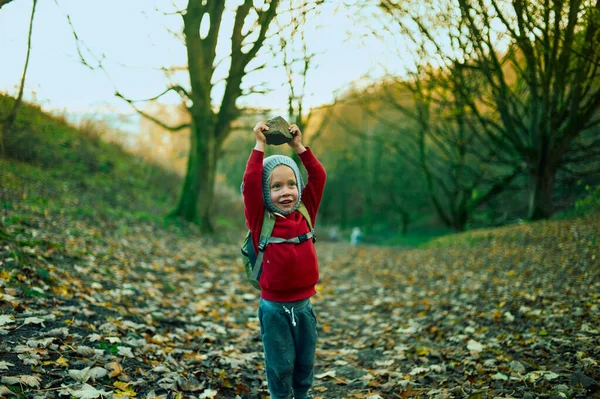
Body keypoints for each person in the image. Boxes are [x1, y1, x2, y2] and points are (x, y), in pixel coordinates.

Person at [242, 120, 327, 399]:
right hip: (275, 310)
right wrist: (259, 145)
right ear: (267, 194)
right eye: (276, 187)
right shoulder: (260, 220)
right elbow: (252, 184)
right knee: (280, 367)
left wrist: (299, 148)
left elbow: (319, 176)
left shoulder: (306, 212)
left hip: (304, 308)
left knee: (304, 364)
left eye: (291, 184)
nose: (286, 191)